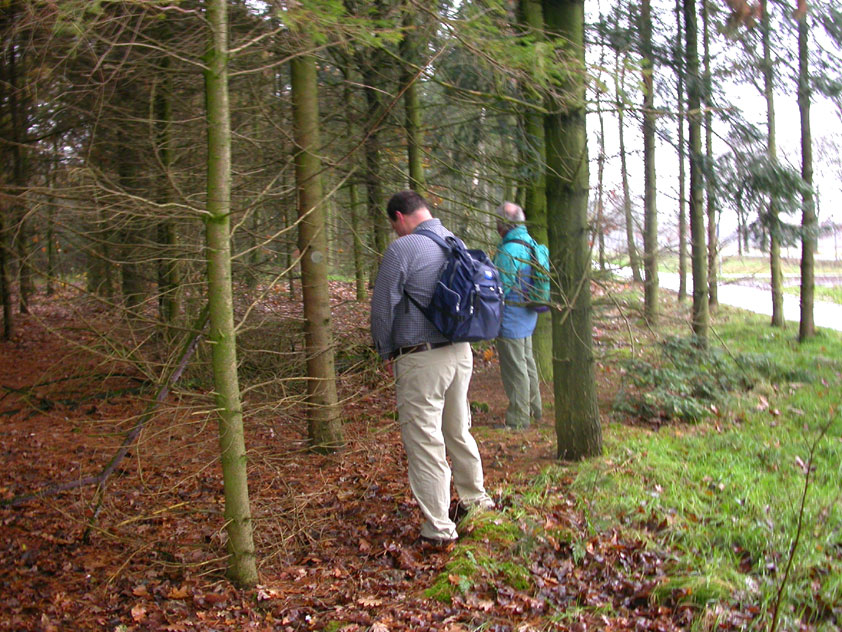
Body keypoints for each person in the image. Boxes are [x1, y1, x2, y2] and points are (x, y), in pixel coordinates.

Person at [371, 190, 495, 546]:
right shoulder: (455, 241)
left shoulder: (402, 249)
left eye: (393, 225)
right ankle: (476, 500)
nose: (395, 231)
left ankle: (439, 528)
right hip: (461, 352)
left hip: (422, 357)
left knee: (425, 440)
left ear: (399, 217)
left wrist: (384, 351)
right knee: (458, 430)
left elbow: (382, 308)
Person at [493, 201, 542, 430]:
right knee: (527, 362)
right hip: (528, 315)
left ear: (504, 224)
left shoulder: (509, 250)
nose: (496, 226)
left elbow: (499, 288)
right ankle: (534, 408)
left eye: (498, 222)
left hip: (512, 318)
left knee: (515, 368)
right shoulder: (530, 243)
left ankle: (519, 419)